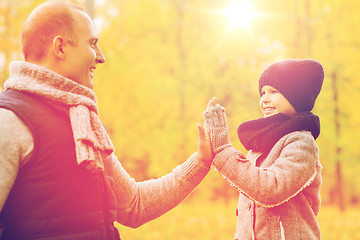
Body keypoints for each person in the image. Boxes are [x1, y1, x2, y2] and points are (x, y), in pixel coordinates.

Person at [0, 1, 213, 239]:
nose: (101, 57)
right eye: (92, 44)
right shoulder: (9, 120)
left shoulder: (85, 122)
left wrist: (201, 161)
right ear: (60, 47)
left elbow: (134, 205)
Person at [203, 59, 324, 239]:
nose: (265, 99)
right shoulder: (261, 144)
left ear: (297, 97)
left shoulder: (301, 143)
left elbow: (271, 189)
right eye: (263, 92)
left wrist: (222, 151)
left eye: (274, 91)